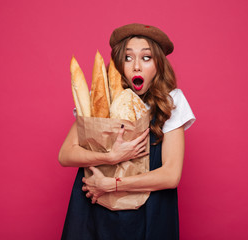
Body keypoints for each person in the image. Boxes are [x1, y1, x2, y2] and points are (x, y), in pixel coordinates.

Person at [58, 23, 196, 240]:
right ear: (118, 64)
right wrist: (111, 157)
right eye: (128, 58)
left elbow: (171, 175)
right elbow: (65, 155)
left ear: (159, 64)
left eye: (146, 58)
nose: (137, 67)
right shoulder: (100, 98)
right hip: (94, 205)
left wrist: (111, 185)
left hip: (150, 210)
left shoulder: (171, 102)